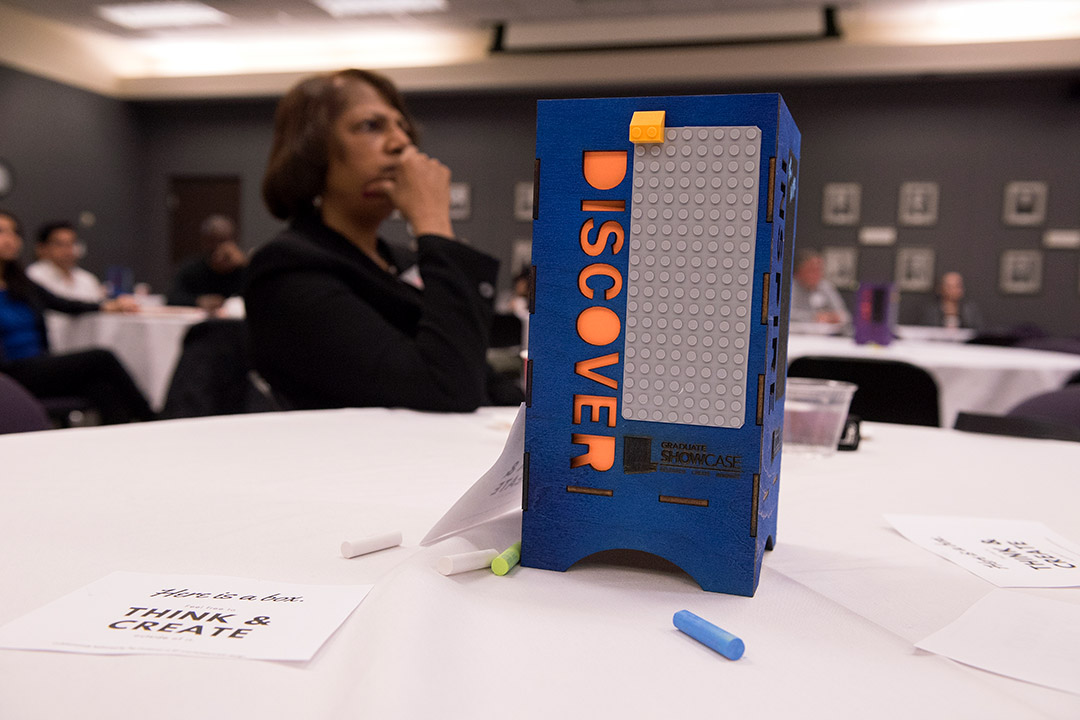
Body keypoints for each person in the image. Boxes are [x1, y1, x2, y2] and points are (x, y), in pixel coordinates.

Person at [244, 68, 510, 411]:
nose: (401, 143)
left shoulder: (398, 260)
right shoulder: (287, 270)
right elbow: (446, 388)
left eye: (402, 127)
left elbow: (478, 372)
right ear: (313, 151)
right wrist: (432, 221)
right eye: (371, 126)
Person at [0, 210, 154, 424]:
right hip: (10, 373)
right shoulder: (32, 276)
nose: (11, 239)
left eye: (15, 233)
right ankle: (152, 418)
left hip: (38, 364)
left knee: (102, 388)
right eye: (2, 232)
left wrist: (107, 306)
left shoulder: (20, 282)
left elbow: (65, 304)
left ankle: (123, 446)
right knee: (101, 358)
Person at [167, 214, 247, 311]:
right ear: (203, 241)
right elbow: (172, 298)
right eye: (212, 240)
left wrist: (246, 264)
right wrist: (198, 301)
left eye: (222, 240)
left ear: (234, 241)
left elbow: (262, 296)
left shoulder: (243, 269)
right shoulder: (192, 269)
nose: (217, 246)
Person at [25, 221, 107, 303]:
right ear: (42, 248)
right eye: (60, 244)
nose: (68, 250)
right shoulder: (34, 276)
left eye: (72, 243)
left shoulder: (87, 279)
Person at [789, 249, 851, 325]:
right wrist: (813, 317)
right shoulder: (790, 287)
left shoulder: (826, 287)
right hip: (796, 333)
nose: (816, 274)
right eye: (811, 270)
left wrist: (833, 317)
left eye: (819, 269)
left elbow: (845, 315)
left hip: (823, 334)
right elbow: (786, 314)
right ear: (799, 271)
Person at [919, 271, 984, 330]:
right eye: (949, 286)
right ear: (941, 288)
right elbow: (926, 329)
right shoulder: (932, 309)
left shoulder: (970, 309)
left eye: (957, 286)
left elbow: (977, 330)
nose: (953, 290)